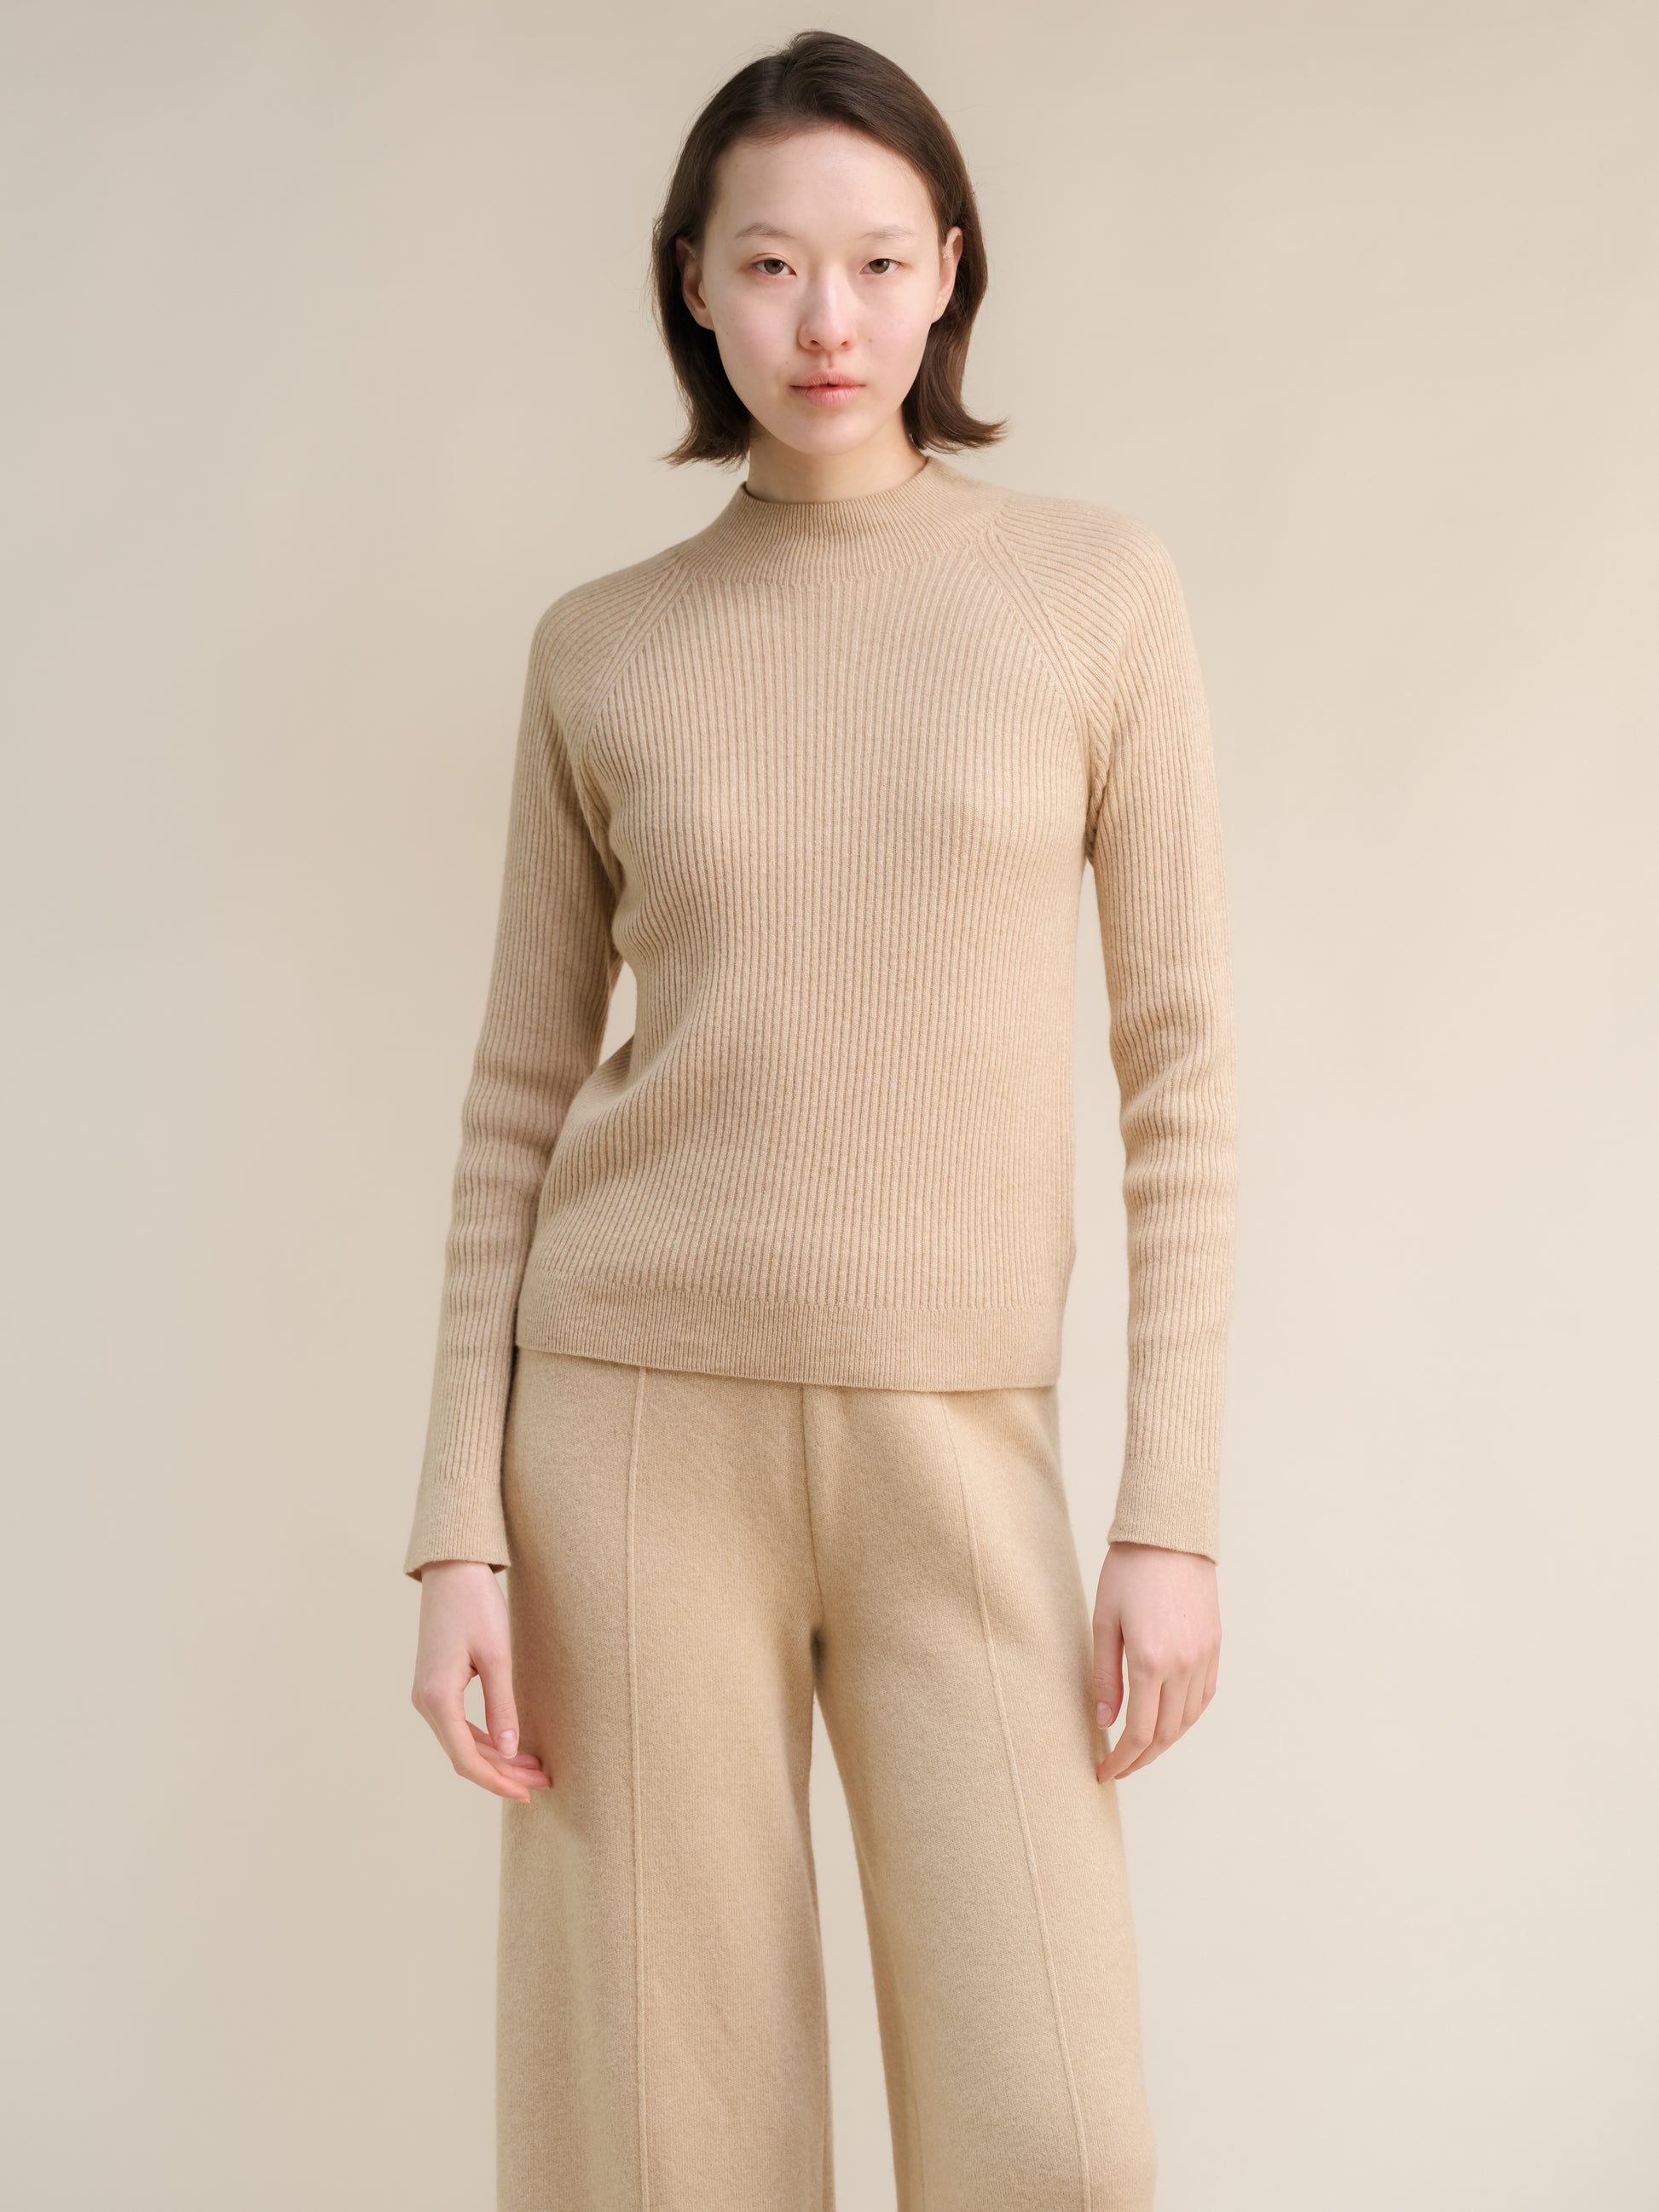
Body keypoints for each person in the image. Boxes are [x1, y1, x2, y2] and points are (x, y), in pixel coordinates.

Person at [404, 29, 1238, 2212]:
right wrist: (457, 1523)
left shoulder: (1095, 593)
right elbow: (514, 1094)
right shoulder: (604, 648)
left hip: (957, 1430)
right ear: (693, 283)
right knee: (660, 2146)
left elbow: (1180, 1068)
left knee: (1054, 2129)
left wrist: (1169, 1508)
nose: (827, 320)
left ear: (951, 267)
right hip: (628, 1428)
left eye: (876, 260)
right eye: (769, 264)